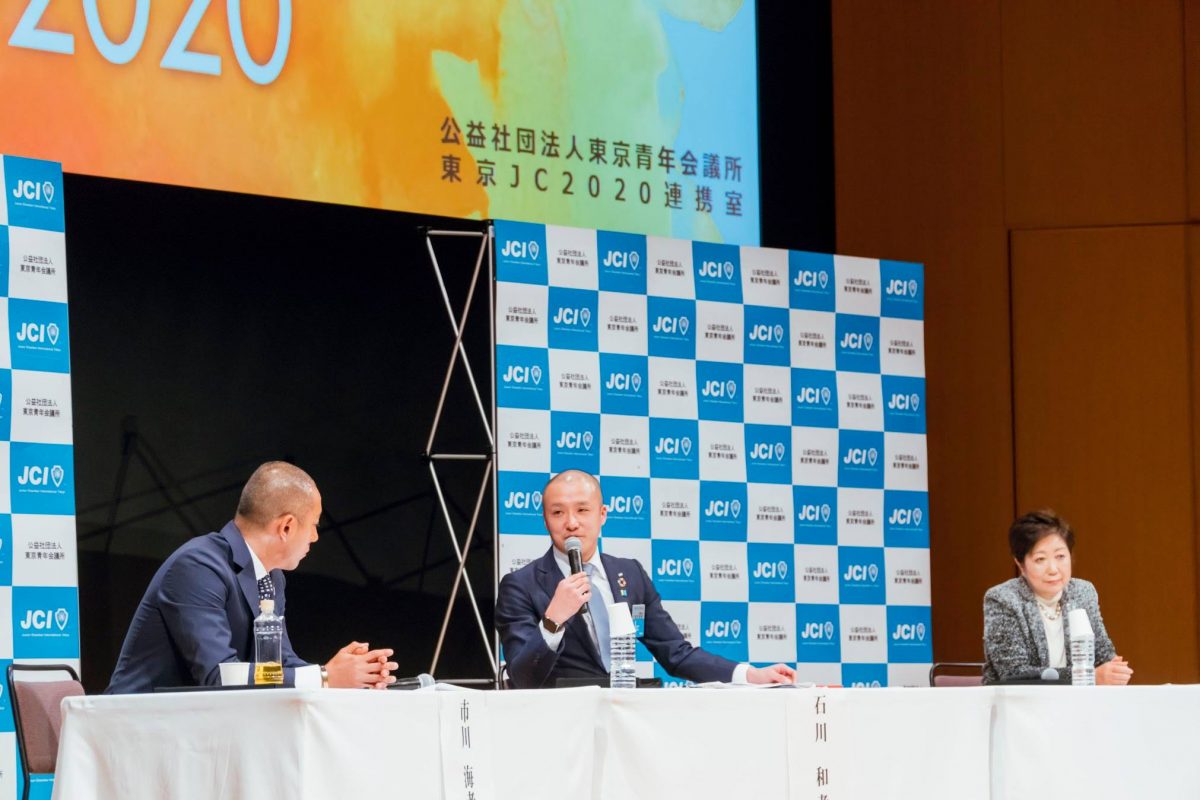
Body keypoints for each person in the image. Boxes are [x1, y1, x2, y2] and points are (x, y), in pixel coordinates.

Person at [106, 461, 398, 693]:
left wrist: (349, 674)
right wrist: (323, 677)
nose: (315, 537)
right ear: (286, 527)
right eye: (313, 525)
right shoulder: (197, 567)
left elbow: (279, 664)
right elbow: (219, 675)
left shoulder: (272, 577)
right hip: (139, 727)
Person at [496, 469, 796, 688]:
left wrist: (749, 675)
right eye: (558, 512)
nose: (571, 523)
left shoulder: (630, 574)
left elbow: (675, 653)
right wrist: (553, 621)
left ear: (602, 514)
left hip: (629, 717)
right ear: (545, 520)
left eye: (582, 510)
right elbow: (522, 678)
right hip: (565, 723)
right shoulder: (521, 585)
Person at [982, 510, 1132, 685]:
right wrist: (1087, 676)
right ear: (1020, 564)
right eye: (1040, 559)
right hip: (1018, 701)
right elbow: (1013, 673)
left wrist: (1114, 670)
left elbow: (1103, 655)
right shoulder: (1003, 599)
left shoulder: (1083, 592)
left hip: (1077, 700)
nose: (1053, 569)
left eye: (1060, 556)